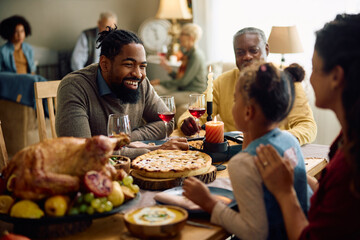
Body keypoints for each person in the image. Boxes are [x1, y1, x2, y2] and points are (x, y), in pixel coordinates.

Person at [254, 13, 360, 240]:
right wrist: (301, 176)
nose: (309, 79)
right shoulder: (348, 135)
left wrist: (284, 193)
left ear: (336, 77)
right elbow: (334, 202)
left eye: (314, 68)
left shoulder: (350, 168)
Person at [183, 62, 309, 239]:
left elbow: (254, 233)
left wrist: (209, 202)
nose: (233, 105)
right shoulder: (289, 140)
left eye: (235, 99)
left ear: (248, 112)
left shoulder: (243, 163)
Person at [56, 27, 187, 159]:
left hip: (132, 168)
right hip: (93, 174)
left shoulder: (141, 83)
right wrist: (155, 150)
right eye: (129, 64)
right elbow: (83, 153)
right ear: (104, 64)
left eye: (142, 66)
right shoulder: (74, 87)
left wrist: (125, 139)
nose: (138, 74)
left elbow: (166, 123)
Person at [178, 27, 317, 146]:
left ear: (267, 50)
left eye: (253, 50)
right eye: (240, 52)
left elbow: (307, 126)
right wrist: (187, 123)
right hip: (231, 154)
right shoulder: (222, 82)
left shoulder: (286, 80)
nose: (247, 57)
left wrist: (277, 140)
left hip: (272, 151)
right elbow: (192, 114)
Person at [150, 23, 207, 121]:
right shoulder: (188, 54)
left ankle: (164, 125)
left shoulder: (196, 56)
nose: (179, 37)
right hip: (184, 89)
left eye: (182, 34)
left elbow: (183, 82)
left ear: (190, 37)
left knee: (165, 99)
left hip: (194, 92)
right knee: (156, 91)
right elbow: (181, 78)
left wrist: (160, 82)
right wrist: (169, 69)